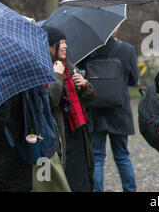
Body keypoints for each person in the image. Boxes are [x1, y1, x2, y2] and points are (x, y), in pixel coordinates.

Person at [79, 28, 139, 192]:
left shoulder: (88, 50)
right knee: (122, 156)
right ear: (117, 28)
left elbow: (80, 73)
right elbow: (134, 80)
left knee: (97, 157)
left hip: (95, 109)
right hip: (120, 110)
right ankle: (130, 190)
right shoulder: (127, 50)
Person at [42, 26, 96, 192]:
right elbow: (49, 102)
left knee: (82, 179)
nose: (65, 46)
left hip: (77, 133)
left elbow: (89, 99)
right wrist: (57, 77)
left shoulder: (71, 68)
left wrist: (85, 86)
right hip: (59, 137)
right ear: (49, 46)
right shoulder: (43, 70)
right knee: (66, 181)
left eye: (66, 43)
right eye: (61, 43)